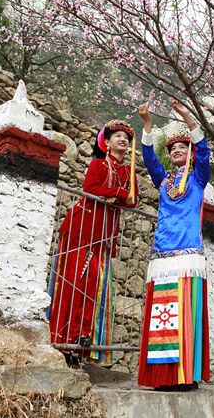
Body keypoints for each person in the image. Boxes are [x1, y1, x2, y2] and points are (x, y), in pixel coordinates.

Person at [47, 119, 138, 364]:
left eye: (126, 137)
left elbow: (133, 200)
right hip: (82, 230)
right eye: (117, 136)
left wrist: (117, 196)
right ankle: (61, 340)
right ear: (106, 142)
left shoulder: (127, 172)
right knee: (73, 283)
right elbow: (91, 187)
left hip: (102, 237)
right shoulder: (98, 164)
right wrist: (118, 194)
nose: (123, 139)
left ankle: (80, 342)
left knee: (92, 288)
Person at [137, 99, 210, 390]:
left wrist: (187, 117)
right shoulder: (164, 181)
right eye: (172, 148)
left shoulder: (198, 178)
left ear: (190, 154)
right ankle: (162, 377)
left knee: (185, 314)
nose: (177, 150)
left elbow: (203, 150)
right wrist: (147, 124)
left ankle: (185, 375)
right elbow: (148, 159)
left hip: (188, 252)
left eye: (182, 147)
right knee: (162, 316)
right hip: (163, 252)